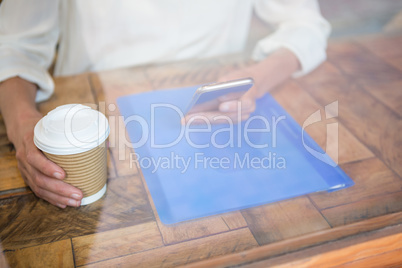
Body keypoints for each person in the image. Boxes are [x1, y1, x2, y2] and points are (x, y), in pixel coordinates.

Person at [0, 0, 330, 208]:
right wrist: (23, 124)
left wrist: (255, 79)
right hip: (88, 125)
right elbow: (12, 46)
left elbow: (306, 25)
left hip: (214, 120)